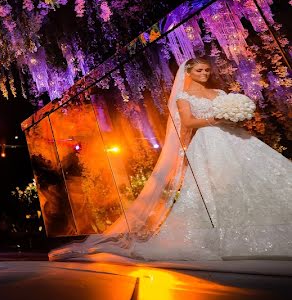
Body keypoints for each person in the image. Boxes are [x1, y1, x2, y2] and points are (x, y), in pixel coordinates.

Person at [50, 57, 292, 262]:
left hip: (233, 137)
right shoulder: (183, 97)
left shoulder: (218, 92)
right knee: (216, 187)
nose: (205, 74)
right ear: (189, 72)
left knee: (254, 176)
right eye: (199, 70)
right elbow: (188, 123)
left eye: (207, 70)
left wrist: (234, 117)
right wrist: (215, 120)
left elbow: (228, 112)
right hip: (207, 141)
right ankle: (222, 238)